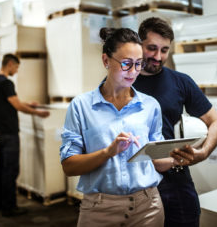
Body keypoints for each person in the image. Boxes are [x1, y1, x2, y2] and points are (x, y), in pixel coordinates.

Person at [60, 28, 166, 227]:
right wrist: (108, 152)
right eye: (126, 64)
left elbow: (156, 159)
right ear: (106, 60)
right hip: (99, 210)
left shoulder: (150, 105)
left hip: (148, 207)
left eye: (138, 64)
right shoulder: (81, 106)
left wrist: (177, 157)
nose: (134, 71)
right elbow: (69, 166)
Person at [133, 17, 217, 227]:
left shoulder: (180, 81)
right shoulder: (121, 82)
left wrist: (203, 153)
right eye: (152, 48)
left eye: (164, 50)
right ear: (139, 45)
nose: (158, 57)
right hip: (134, 183)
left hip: (175, 180)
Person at [0, 54, 50, 217]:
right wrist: (37, 112)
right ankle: (9, 207)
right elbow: (16, 105)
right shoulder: (6, 83)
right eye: (16, 67)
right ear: (10, 64)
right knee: (11, 169)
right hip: (9, 132)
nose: (16, 71)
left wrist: (28, 104)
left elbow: (9, 102)